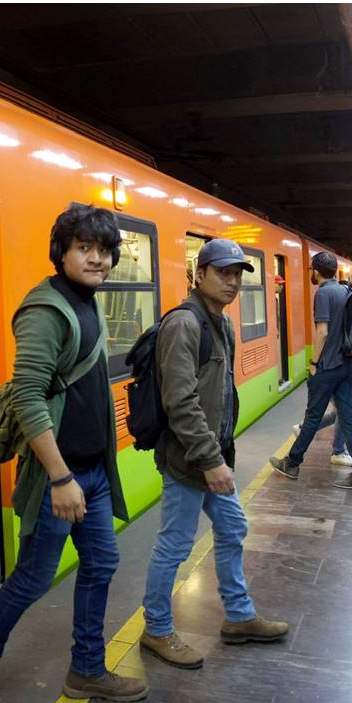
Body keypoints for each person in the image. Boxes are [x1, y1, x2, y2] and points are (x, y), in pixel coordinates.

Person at [0, 204, 146, 703]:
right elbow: (31, 397)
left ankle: (86, 669)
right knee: (31, 580)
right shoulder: (46, 309)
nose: (97, 259)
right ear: (61, 251)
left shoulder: (87, 302)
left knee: (102, 564)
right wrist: (60, 477)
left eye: (105, 251)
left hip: (93, 474)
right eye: (85, 248)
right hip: (60, 476)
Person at [139, 239, 289, 669]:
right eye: (223, 272)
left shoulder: (220, 323)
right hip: (189, 460)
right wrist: (210, 460)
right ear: (198, 274)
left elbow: (218, 393)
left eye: (238, 274)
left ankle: (239, 617)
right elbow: (181, 403)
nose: (232, 281)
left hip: (212, 455)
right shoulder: (184, 324)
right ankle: (157, 628)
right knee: (175, 545)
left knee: (232, 527)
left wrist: (220, 453)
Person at [269, 251, 352, 490]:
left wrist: (313, 363)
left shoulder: (323, 293)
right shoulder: (347, 291)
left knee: (312, 418)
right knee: (348, 420)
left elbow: (322, 332)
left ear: (315, 270)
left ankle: (292, 463)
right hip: (347, 365)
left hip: (328, 367)